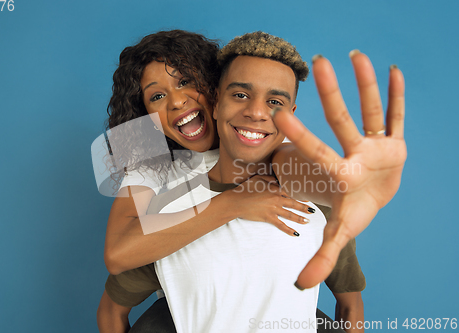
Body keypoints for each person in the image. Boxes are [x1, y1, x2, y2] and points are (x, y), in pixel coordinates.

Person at [96, 30, 368, 332]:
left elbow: (298, 167)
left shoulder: (268, 143)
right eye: (156, 96)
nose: (176, 102)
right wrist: (233, 203)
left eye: (185, 81)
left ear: (212, 91)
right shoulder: (150, 163)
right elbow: (118, 254)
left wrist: (351, 182)